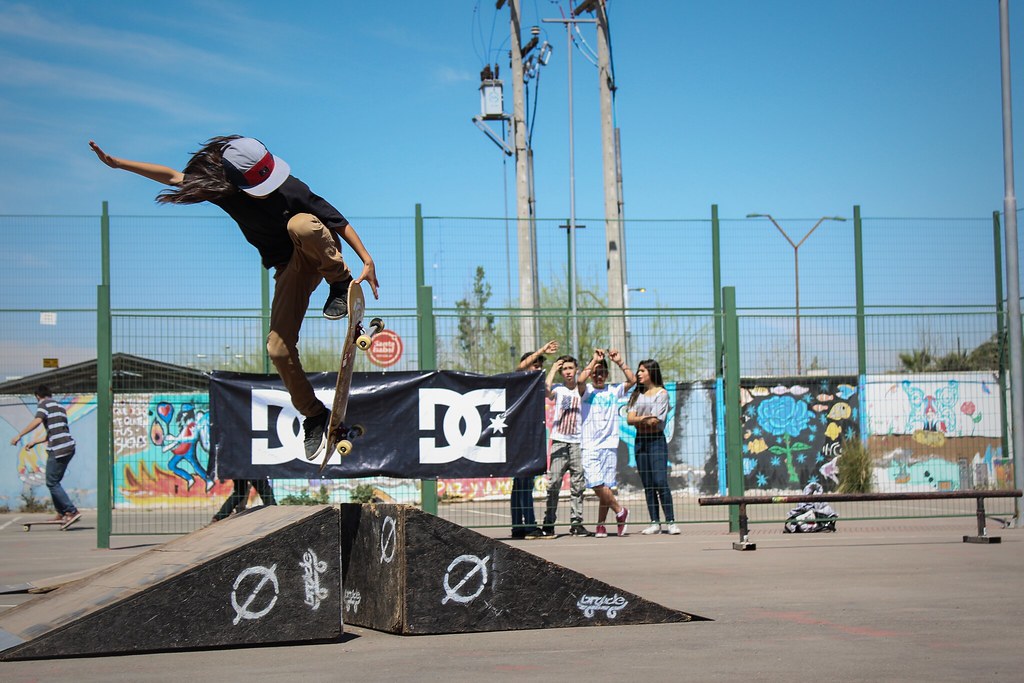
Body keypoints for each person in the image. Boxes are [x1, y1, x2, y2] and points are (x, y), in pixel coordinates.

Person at [89, 137, 379, 462]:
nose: (271, 188)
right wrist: (119, 164)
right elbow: (173, 177)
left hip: (319, 251)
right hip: (289, 269)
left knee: (302, 224)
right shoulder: (224, 191)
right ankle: (313, 414)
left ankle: (338, 282)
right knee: (278, 349)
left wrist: (366, 260)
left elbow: (336, 219)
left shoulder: (291, 188)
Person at [576, 348, 635, 538]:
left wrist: (619, 361)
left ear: (607, 374)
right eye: (595, 373)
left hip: (609, 444)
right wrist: (594, 361)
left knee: (605, 487)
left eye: (602, 373)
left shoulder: (613, 391)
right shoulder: (586, 392)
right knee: (595, 482)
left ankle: (601, 525)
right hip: (590, 445)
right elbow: (579, 380)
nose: (598, 376)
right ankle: (620, 511)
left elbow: (633, 380)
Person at [9, 385, 81, 526]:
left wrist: (20, 435)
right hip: (68, 447)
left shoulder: (44, 404)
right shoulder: (59, 407)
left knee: (52, 482)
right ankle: (61, 513)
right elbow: (55, 432)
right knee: (54, 481)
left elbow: (37, 421)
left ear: (37, 396)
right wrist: (35, 441)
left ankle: (71, 511)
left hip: (58, 448)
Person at [509, 340, 559, 539]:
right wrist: (542, 350)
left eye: (540, 365)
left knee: (521, 484)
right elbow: (520, 367)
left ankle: (517, 526)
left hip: (530, 438)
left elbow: (549, 390)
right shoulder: (520, 383)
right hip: (519, 439)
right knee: (523, 482)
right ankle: (529, 526)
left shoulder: (537, 386)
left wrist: (553, 368)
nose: (538, 368)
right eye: (535, 365)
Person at [626, 359, 680, 535]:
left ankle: (670, 521)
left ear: (651, 372)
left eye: (642, 371)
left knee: (660, 481)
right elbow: (630, 419)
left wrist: (640, 420)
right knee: (648, 484)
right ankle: (655, 522)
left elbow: (656, 421)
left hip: (656, 441)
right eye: (638, 370)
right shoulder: (637, 394)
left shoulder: (661, 393)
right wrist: (644, 419)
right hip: (640, 441)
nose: (639, 374)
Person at [541, 354, 590, 537]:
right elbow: (546, 391)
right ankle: (548, 522)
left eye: (571, 368)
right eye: (565, 369)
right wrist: (553, 368)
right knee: (554, 482)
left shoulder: (580, 389)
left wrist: (592, 360)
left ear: (576, 369)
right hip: (559, 441)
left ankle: (576, 522)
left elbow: (584, 379)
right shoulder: (559, 390)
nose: (568, 372)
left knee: (578, 484)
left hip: (576, 442)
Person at [212, 478, 277, 523]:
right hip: (253, 467)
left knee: (239, 492)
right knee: (265, 490)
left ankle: (220, 516)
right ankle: (273, 511)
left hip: (238, 467)